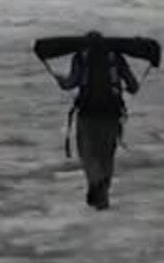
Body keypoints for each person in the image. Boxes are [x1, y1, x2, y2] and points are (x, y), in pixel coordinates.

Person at [58, 31, 141, 209]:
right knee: (107, 154)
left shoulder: (80, 56)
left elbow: (71, 82)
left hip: (88, 111)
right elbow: (133, 86)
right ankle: (103, 196)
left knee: (87, 152)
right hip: (112, 111)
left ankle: (96, 181)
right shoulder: (116, 56)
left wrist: (60, 80)